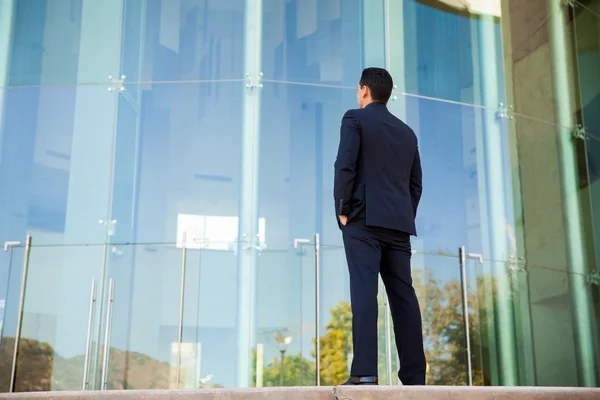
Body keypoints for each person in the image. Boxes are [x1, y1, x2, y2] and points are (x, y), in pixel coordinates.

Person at [334, 67, 426, 386]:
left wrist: (343, 210)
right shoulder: (407, 132)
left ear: (363, 91)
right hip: (399, 226)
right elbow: (416, 185)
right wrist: (403, 215)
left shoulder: (354, 119)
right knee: (404, 298)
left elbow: (345, 164)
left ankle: (365, 373)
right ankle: (415, 378)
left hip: (363, 220)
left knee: (364, 292)